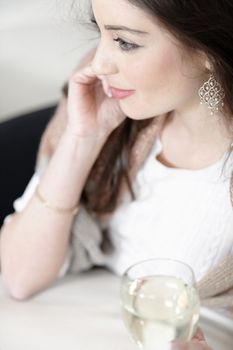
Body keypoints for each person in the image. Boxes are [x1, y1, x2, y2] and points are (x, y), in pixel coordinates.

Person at [1, 0, 233, 348]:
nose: (98, 63)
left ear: (208, 50)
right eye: (102, 33)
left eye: (125, 43)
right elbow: (21, 277)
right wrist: (83, 139)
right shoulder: (110, 99)